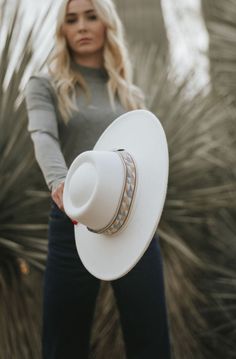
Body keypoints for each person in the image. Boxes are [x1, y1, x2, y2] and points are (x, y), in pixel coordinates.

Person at [25, 0, 172, 358]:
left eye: (92, 16)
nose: (82, 26)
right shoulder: (44, 84)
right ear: (62, 29)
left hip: (132, 218)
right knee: (64, 341)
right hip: (73, 217)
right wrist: (60, 183)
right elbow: (43, 136)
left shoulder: (128, 93)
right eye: (72, 20)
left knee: (150, 337)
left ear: (107, 23)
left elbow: (145, 156)